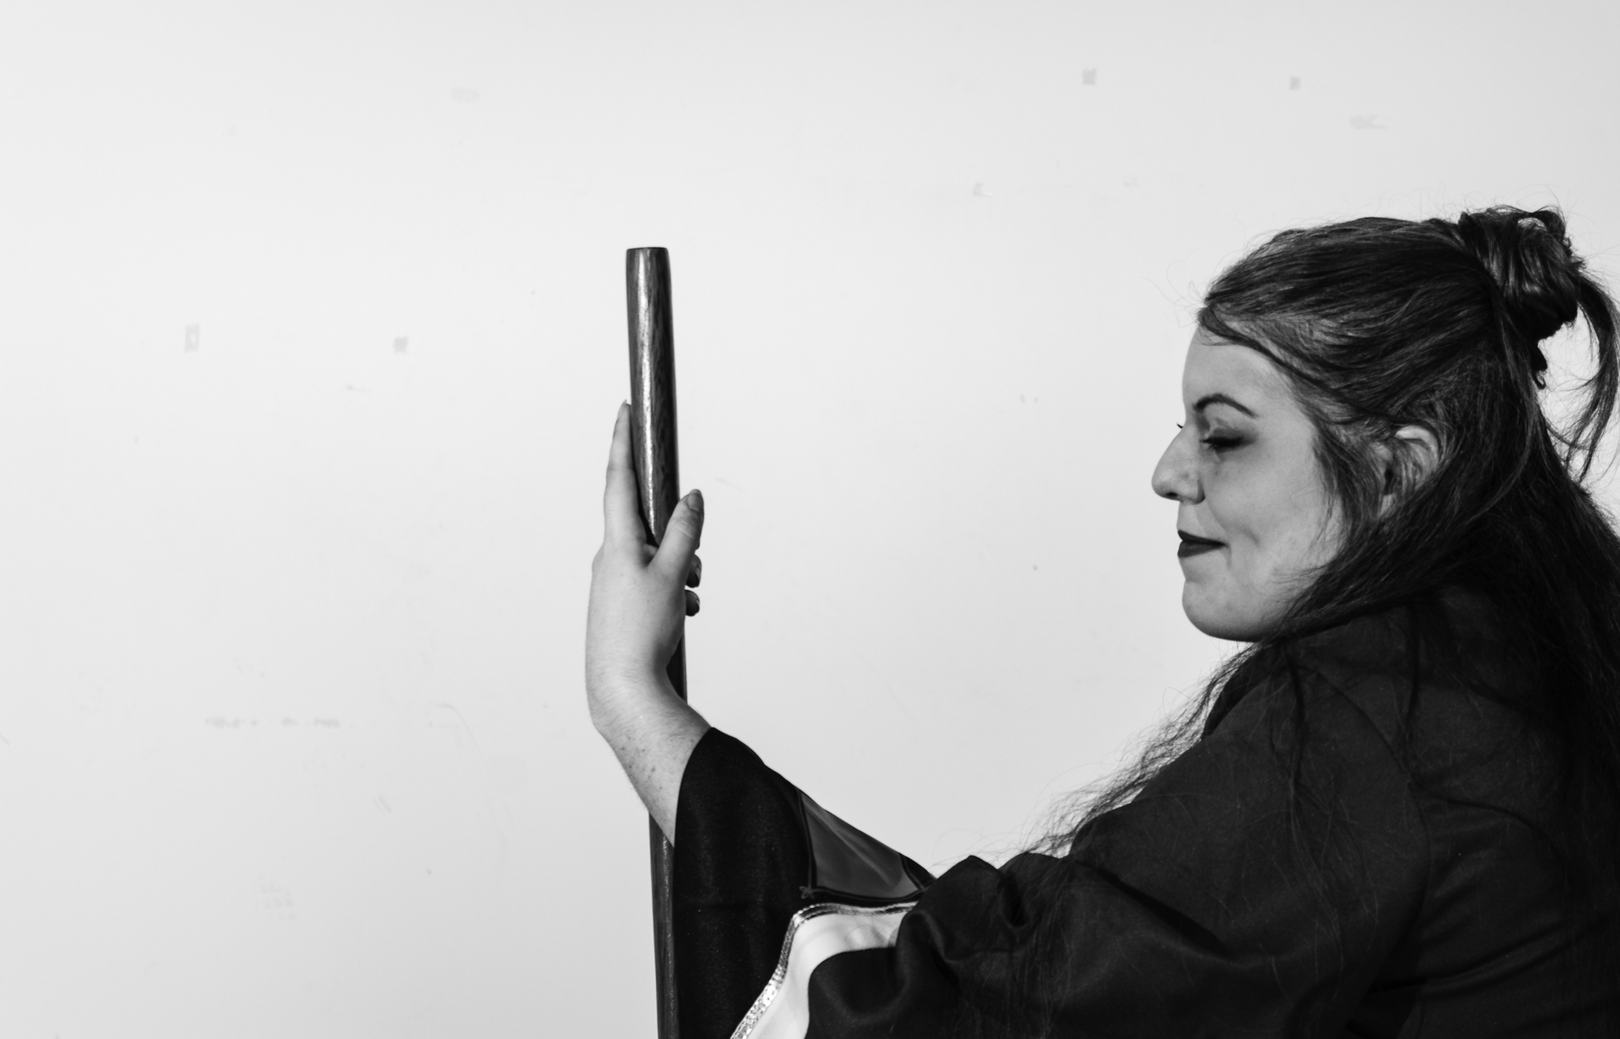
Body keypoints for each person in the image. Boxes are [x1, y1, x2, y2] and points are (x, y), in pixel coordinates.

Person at [585, 206, 1620, 1037]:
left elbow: (996, 1013)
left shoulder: (1385, 713)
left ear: (1399, 471)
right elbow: (1060, 962)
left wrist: (633, 701)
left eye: (1223, 437)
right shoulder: (1529, 654)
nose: (1168, 473)